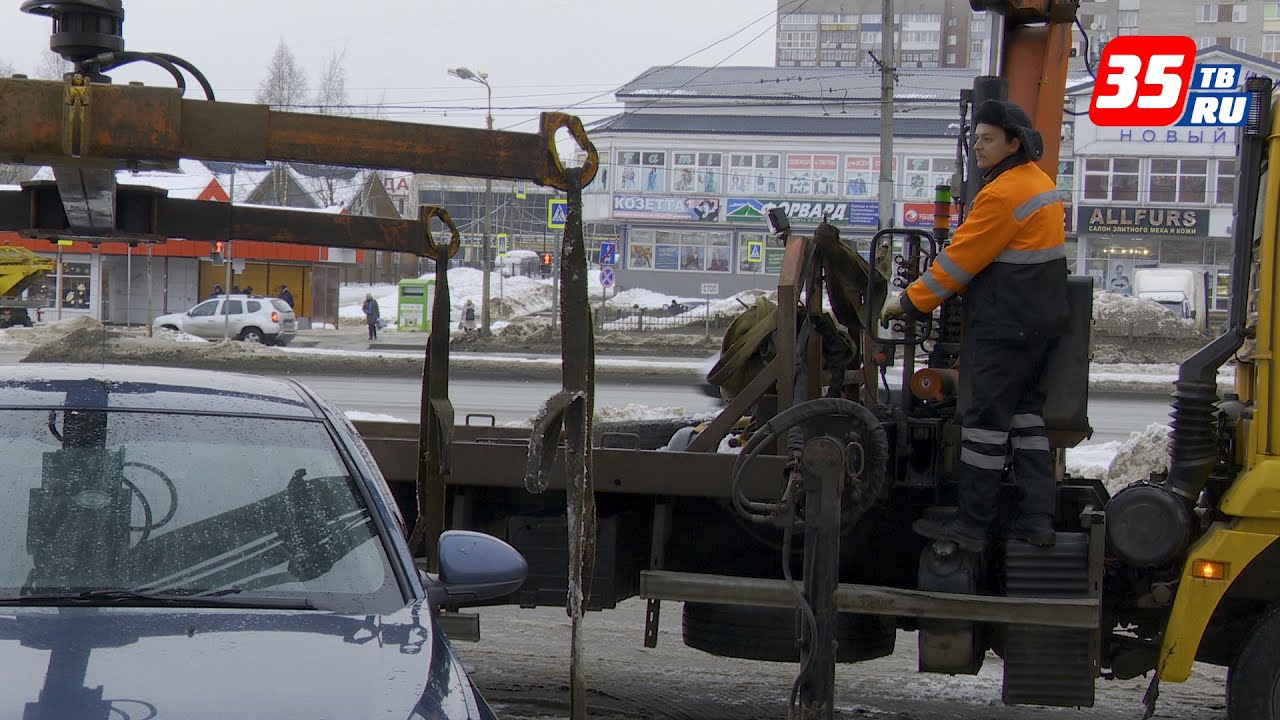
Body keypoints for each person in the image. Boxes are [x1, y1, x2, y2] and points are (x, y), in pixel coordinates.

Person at [882, 99, 1068, 552]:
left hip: (1004, 327)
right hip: (1038, 325)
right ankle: (1038, 521)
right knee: (1026, 420)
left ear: (1013, 142)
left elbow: (960, 260)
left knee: (984, 425)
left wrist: (908, 301)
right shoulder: (1038, 183)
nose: (978, 148)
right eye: (976, 138)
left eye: (987, 140)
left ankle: (970, 527)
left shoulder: (1004, 193)